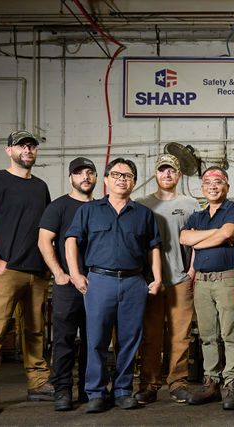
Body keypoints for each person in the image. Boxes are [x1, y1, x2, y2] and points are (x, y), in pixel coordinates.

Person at [65, 158, 163, 413]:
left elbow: (154, 247)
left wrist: (157, 278)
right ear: (106, 180)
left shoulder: (143, 214)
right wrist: (75, 273)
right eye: (117, 174)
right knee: (96, 339)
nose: (122, 179)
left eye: (128, 175)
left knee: (130, 340)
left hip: (134, 282)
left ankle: (122, 390)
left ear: (134, 182)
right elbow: (71, 240)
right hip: (100, 280)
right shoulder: (89, 210)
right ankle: (96, 392)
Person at [0, 130, 53, 416]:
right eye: (21, 146)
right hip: (8, 270)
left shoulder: (41, 187)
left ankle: (39, 383)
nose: (27, 150)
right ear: (9, 150)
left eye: (31, 146)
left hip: (38, 272)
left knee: (35, 330)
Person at [134, 154, 201, 405]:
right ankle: (149, 383)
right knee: (150, 334)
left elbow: (197, 239)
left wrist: (192, 270)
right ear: (155, 174)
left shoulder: (191, 204)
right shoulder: (141, 204)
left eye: (171, 171)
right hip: (151, 281)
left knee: (180, 334)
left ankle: (178, 382)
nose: (167, 175)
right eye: (162, 170)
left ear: (178, 175)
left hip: (181, 278)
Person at [179, 166, 234, 410]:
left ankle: (232, 382)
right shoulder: (197, 216)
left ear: (226, 186)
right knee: (208, 335)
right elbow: (184, 238)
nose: (213, 186)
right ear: (202, 188)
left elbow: (228, 232)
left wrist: (201, 241)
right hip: (202, 281)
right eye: (208, 182)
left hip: (227, 279)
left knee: (230, 333)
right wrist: (217, 234)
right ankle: (211, 381)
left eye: (218, 181)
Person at [38, 157, 98, 411]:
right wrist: (60, 274)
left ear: (96, 178)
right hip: (68, 286)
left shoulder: (102, 207)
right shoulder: (58, 207)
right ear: (71, 177)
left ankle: (88, 389)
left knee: (93, 340)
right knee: (63, 340)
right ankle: (62, 390)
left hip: (97, 285)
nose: (85, 177)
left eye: (90, 172)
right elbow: (44, 241)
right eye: (79, 173)